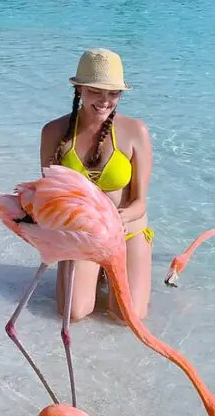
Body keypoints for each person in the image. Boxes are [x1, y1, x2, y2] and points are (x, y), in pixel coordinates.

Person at [40, 48, 153, 322]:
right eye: (96, 92)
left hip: (127, 231)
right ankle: (93, 270)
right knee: (75, 313)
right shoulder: (54, 132)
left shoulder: (135, 131)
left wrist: (121, 219)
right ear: (79, 89)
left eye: (113, 93)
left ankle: (112, 269)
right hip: (83, 234)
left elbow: (140, 202)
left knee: (126, 317)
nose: (105, 101)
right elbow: (48, 197)